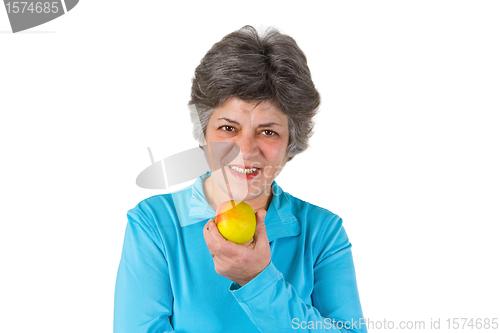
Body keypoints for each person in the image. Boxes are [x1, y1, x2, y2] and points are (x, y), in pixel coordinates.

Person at [114, 25, 367, 332]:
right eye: (228, 129)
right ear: (204, 133)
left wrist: (258, 281)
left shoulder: (322, 232)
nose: (245, 151)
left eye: (268, 131)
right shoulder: (154, 224)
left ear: (292, 143)